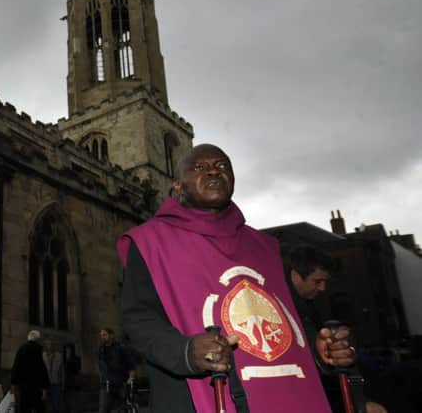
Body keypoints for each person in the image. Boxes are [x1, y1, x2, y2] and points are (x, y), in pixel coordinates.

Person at [117, 144, 357, 413]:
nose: (212, 172)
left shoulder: (267, 247)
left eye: (221, 166)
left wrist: (318, 350)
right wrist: (184, 352)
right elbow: (139, 318)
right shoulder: (149, 242)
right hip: (193, 397)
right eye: (199, 168)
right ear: (177, 186)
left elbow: (290, 318)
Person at [287, 245, 389, 413]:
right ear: (295, 276)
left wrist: (360, 401)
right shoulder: (287, 310)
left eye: (325, 281)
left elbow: (342, 361)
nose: (323, 288)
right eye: (317, 281)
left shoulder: (312, 309)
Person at [97, 328, 135, 413]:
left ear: (111, 335)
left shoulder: (121, 348)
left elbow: (131, 365)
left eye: (105, 335)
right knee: (103, 410)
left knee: (123, 409)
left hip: (120, 384)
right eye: (101, 335)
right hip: (106, 385)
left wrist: (130, 380)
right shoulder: (101, 350)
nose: (102, 337)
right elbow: (101, 366)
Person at [10, 330, 49, 413]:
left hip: (23, 385)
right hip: (36, 385)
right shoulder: (38, 349)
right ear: (37, 339)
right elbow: (41, 368)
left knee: (24, 407)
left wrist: (13, 383)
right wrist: (45, 387)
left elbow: (16, 366)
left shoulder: (21, 348)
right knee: (39, 407)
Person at [42, 339, 64, 413]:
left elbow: (62, 371)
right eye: (48, 344)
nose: (50, 345)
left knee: (56, 405)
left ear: (54, 345)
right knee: (46, 405)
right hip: (45, 384)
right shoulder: (43, 356)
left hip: (56, 383)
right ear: (46, 345)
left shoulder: (59, 356)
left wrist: (62, 384)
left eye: (51, 344)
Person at [62, 344, 81, 413]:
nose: (68, 351)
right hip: (65, 384)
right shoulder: (63, 358)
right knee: (66, 404)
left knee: (74, 404)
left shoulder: (76, 358)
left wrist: (69, 360)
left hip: (74, 384)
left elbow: (77, 370)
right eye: (66, 350)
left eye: (69, 349)